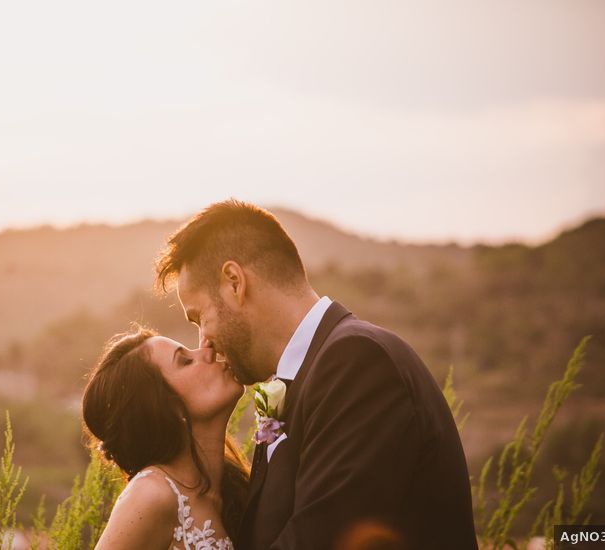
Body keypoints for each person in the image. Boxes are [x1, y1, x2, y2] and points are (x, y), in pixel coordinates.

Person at [154, 199, 479, 550]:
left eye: (199, 318)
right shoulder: (308, 376)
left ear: (235, 282)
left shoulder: (358, 362)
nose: (204, 344)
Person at [82, 327, 250, 550]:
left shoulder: (234, 488)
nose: (207, 352)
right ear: (163, 407)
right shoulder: (152, 494)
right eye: (186, 361)